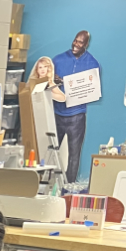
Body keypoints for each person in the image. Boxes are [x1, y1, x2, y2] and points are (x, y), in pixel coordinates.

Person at [52, 30, 101, 183]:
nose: (76, 44)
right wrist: (53, 80)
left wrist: (66, 82)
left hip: (77, 116)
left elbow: (92, 90)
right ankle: (46, 184)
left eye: (80, 42)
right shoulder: (57, 60)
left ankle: (69, 187)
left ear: (86, 45)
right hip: (56, 113)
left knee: (74, 155)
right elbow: (46, 81)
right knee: (50, 151)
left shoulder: (92, 64)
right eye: (75, 40)